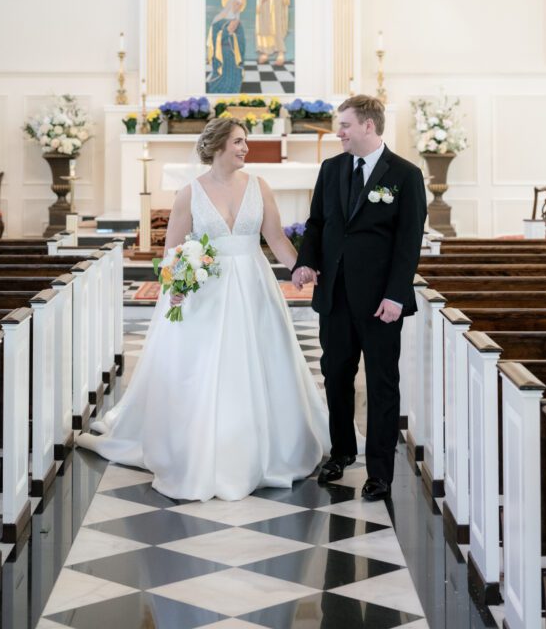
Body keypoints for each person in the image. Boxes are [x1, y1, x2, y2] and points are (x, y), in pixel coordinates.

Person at [78, 117, 328, 501]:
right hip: (206, 292)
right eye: (239, 142)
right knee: (205, 367)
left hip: (253, 286)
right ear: (218, 146)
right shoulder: (189, 194)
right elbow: (172, 252)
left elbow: (276, 239)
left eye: (245, 141)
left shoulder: (259, 186)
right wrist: (177, 287)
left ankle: (263, 444)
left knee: (260, 360)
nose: (246, 148)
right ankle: (202, 445)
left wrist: (300, 269)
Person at [292, 95, 426, 501]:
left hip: (380, 302)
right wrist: (306, 262)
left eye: (345, 125)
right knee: (335, 376)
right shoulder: (332, 169)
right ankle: (342, 452)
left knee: (383, 383)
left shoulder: (405, 174)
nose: (339, 133)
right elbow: (317, 224)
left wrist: (396, 296)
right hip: (335, 295)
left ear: (369, 125)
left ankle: (380, 471)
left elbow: (408, 242)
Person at [206, 0, 246, 93]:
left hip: (234, 55)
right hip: (222, 54)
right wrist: (226, 31)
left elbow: (241, 40)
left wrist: (234, 36)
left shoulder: (238, 22)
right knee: (221, 77)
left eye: (240, 5)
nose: (238, 7)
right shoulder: (218, 19)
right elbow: (213, 37)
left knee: (235, 76)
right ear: (230, 3)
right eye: (236, 4)